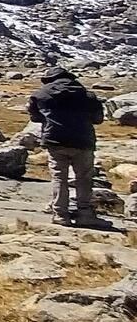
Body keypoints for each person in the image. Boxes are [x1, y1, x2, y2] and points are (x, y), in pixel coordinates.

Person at [29, 67, 105, 226]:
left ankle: (60, 214)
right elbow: (98, 119)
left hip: (55, 140)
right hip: (83, 141)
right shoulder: (87, 95)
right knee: (84, 178)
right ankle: (84, 213)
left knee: (59, 177)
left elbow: (35, 117)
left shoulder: (41, 94)